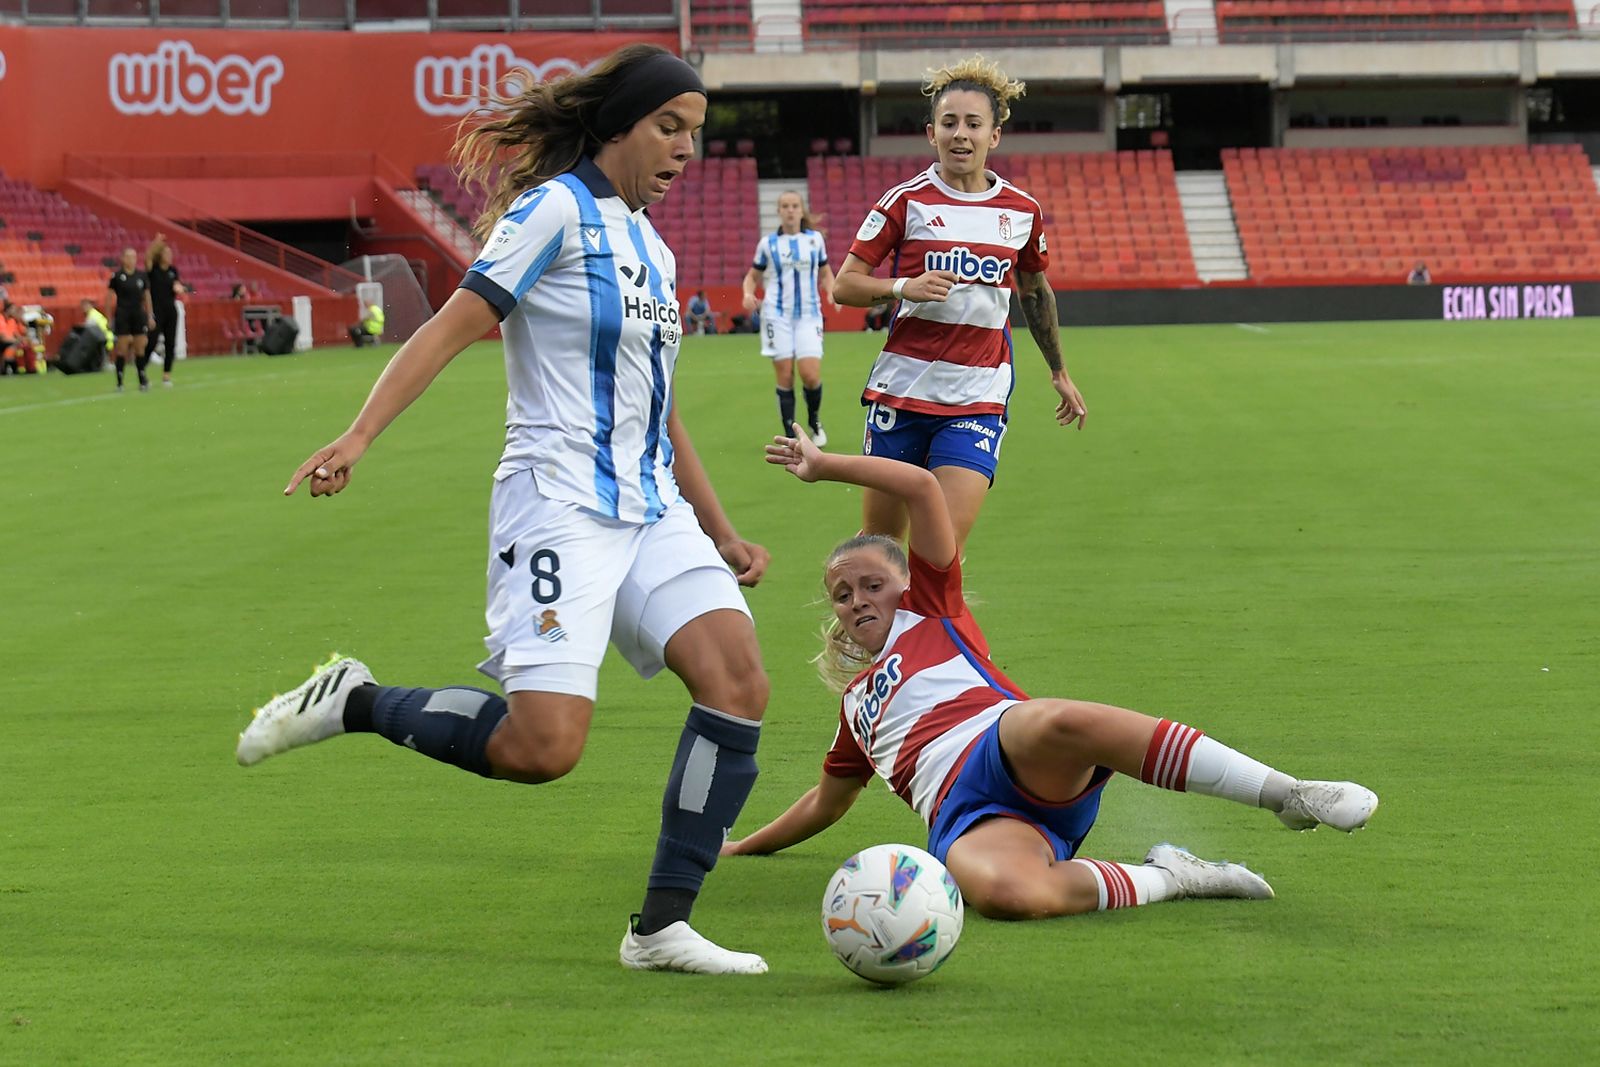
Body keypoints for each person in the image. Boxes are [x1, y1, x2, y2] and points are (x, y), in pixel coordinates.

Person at [234, 44, 774, 976]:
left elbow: (662, 406)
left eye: (696, 133)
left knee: (739, 684)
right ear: (618, 126)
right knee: (542, 747)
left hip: (650, 510)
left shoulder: (652, 245)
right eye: (670, 127)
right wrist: (358, 436)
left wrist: (719, 527)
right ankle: (355, 700)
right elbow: (454, 325)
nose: (687, 149)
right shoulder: (552, 211)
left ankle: (659, 929)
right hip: (558, 503)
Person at [722, 425, 1380, 920]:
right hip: (965, 816)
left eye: (873, 583)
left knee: (1050, 719)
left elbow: (923, 486)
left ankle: (1289, 794)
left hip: (1003, 747)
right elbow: (826, 802)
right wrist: (740, 847)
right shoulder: (855, 709)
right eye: (844, 593)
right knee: (1003, 896)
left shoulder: (933, 608)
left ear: (906, 584)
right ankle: (1174, 875)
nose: (859, 598)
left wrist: (825, 465)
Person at [831, 57, 1088, 550]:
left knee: (939, 549)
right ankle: (856, 629)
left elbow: (1035, 292)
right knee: (879, 548)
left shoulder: (1021, 211)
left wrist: (1058, 370)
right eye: (949, 123)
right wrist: (904, 286)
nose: (960, 135)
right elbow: (846, 286)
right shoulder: (906, 201)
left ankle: (929, 626)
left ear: (994, 135)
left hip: (978, 396)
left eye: (974, 123)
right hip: (902, 393)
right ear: (932, 133)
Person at [742, 191, 835, 444]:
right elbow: (752, 276)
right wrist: (748, 293)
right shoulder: (768, 244)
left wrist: (832, 292)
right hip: (776, 316)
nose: (790, 210)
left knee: (810, 374)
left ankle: (814, 422)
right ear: (779, 211)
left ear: (801, 210)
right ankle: (790, 433)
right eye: (785, 206)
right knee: (784, 376)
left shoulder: (815, 241)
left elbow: (826, 273)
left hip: (809, 315)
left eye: (795, 205)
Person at [106, 247, 153, 393]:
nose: (131, 260)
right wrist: (108, 317)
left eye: (133, 257)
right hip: (123, 314)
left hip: (138, 314)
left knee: (140, 347)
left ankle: (142, 379)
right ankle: (120, 382)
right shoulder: (117, 276)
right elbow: (109, 298)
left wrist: (150, 315)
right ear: (123, 259)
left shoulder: (141, 276)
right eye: (128, 257)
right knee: (122, 348)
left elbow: (147, 296)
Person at [145, 235, 186, 387]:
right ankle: (142, 369)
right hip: (157, 309)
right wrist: (156, 242)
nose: (169, 257)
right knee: (152, 340)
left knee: (170, 343)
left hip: (170, 309)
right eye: (166, 254)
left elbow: (176, 284)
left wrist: (179, 287)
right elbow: (147, 257)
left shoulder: (173, 270)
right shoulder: (153, 270)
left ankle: (166, 375)